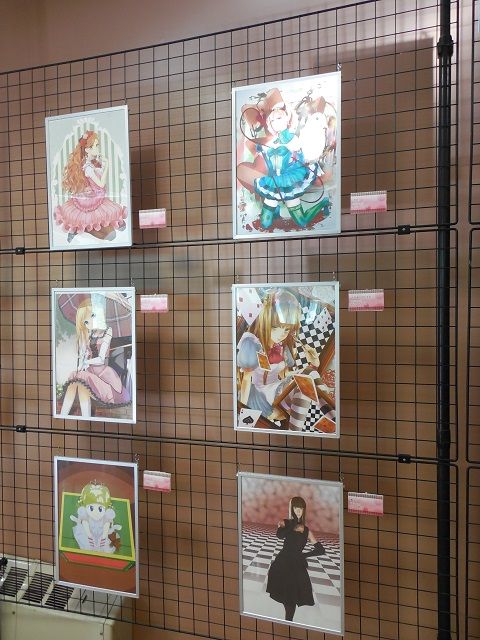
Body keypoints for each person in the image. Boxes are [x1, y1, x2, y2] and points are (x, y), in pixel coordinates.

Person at [237, 289, 335, 431]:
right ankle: (330, 418)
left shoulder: (282, 346)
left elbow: (283, 376)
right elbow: (246, 381)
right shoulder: (252, 343)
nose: (281, 334)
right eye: (275, 327)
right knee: (304, 381)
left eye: (286, 329)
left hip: (276, 391)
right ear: (265, 322)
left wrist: (313, 365)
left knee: (307, 376)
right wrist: (243, 411)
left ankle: (325, 419)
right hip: (260, 398)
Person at [236, 87, 331, 230]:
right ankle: (276, 214)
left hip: (289, 180)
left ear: (287, 119)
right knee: (265, 223)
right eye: (273, 120)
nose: (276, 122)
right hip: (273, 181)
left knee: (301, 222)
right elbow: (262, 155)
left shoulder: (293, 139)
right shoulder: (270, 142)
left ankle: (323, 203)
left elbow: (298, 152)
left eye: (279, 118)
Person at [60, 298, 131, 418]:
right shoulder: (89, 334)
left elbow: (101, 358)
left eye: (92, 316)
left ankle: (78, 417)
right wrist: (84, 349)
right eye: (85, 322)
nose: (89, 323)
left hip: (104, 376)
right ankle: (65, 416)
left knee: (81, 379)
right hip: (90, 373)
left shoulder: (107, 331)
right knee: (77, 381)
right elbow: (83, 355)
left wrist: (86, 361)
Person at [54, 130, 127, 242]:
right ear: (87, 149)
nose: (98, 148)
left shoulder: (93, 162)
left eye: (97, 145)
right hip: (93, 198)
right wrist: (107, 166)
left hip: (97, 195)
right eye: (95, 146)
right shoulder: (88, 167)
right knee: (97, 221)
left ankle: (109, 226)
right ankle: (78, 229)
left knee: (110, 216)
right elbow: (101, 184)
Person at [266, 496, 325, 621]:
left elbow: (321, 550)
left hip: (296, 565)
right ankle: (288, 621)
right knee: (286, 597)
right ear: (292, 509)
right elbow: (279, 535)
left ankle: (289, 622)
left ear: (304, 510)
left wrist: (303, 555)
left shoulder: (306, 531)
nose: (298, 510)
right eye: (296, 507)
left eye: (301, 508)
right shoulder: (286, 523)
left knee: (291, 599)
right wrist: (291, 525)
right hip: (282, 563)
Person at [70, 481, 121, 553]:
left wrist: (103, 537)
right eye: (91, 508)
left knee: (105, 545)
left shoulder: (106, 516)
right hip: (89, 532)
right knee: (87, 542)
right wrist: (89, 535)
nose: (96, 513)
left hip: (101, 533)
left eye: (100, 509)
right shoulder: (86, 515)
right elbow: (85, 523)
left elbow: (106, 526)